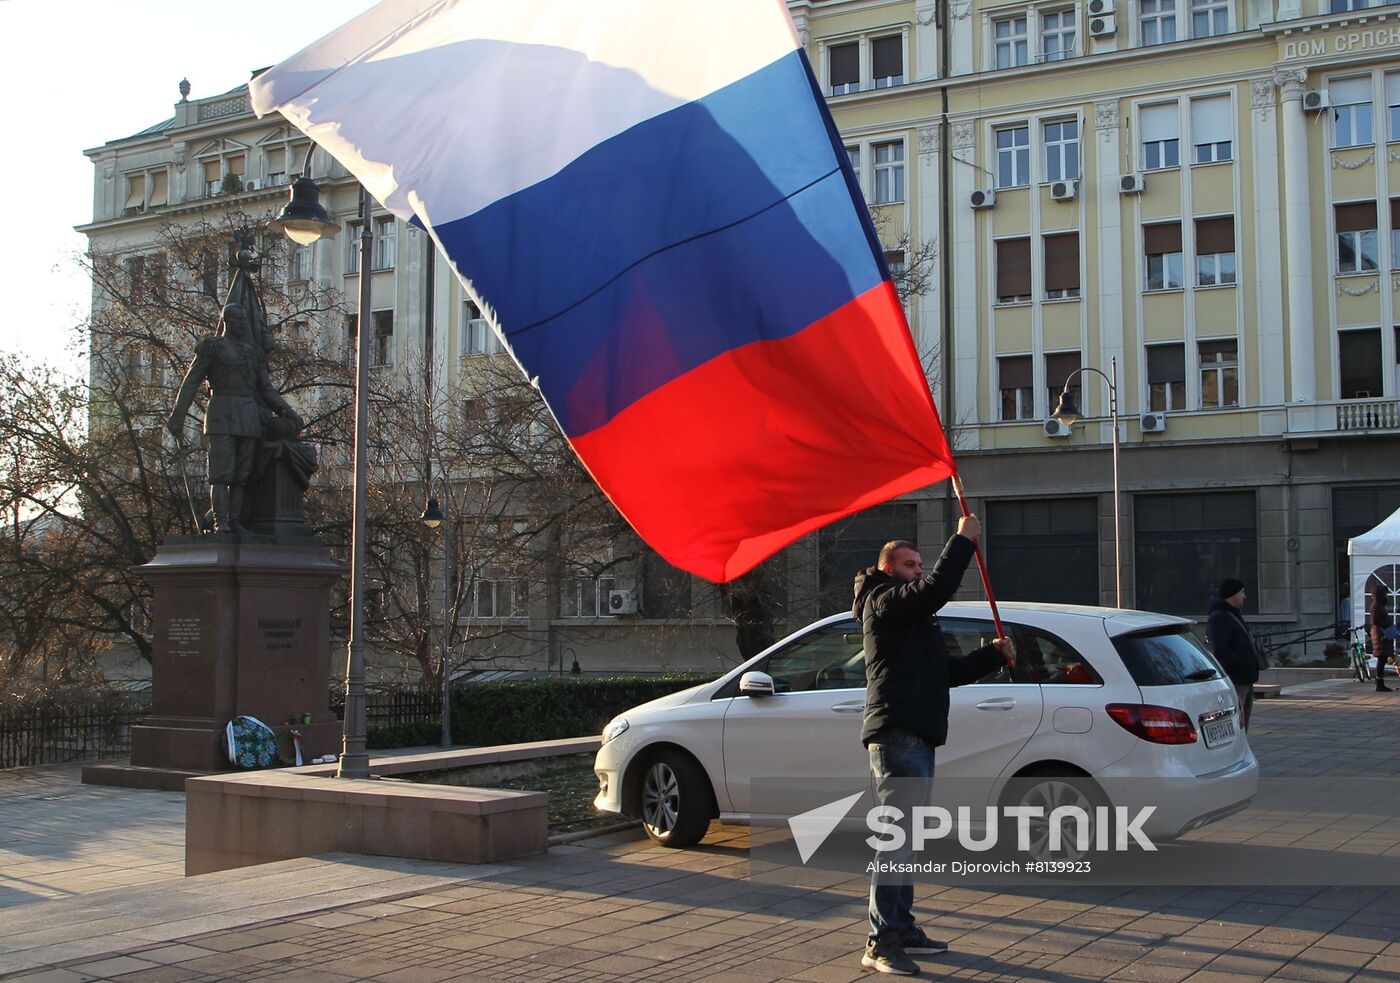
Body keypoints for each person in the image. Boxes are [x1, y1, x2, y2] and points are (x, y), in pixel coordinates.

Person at [853, 515, 1013, 976]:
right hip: (896, 734)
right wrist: (962, 540)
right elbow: (934, 590)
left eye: (921, 563)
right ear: (888, 568)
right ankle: (880, 940)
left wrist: (992, 656)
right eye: (909, 564)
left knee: (909, 839)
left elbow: (946, 674)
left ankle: (901, 928)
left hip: (918, 735)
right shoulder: (882, 602)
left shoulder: (914, 620)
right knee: (896, 839)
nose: (917, 570)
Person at [167, 303, 301, 532]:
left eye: (244, 321)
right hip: (222, 411)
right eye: (239, 321)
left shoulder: (252, 352)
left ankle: (235, 521)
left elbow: (266, 389)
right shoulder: (212, 347)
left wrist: (287, 411)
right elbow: (191, 382)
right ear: (228, 321)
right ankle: (222, 522)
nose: (244, 325)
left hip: (247, 415)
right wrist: (178, 416)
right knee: (221, 474)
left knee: (242, 474)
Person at [1206, 579, 1261, 728]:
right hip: (1236, 678)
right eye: (1241, 592)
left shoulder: (1233, 615)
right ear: (1232, 594)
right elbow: (1220, 650)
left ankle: (1242, 748)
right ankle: (1236, 749)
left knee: (1243, 720)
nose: (1245, 596)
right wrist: (1242, 664)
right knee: (1237, 722)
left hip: (1245, 677)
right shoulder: (1219, 617)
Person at [1370, 582, 1394, 692]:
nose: (1386, 596)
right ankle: (1379, 684)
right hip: (1381, 636)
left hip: (1382, 635)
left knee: (1383, 659)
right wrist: (1387, 623)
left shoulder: (1379, 605)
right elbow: (1374, 621)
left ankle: (1380, 683)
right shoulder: (1376, 606)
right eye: (1384, 594)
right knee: (1381, 659)